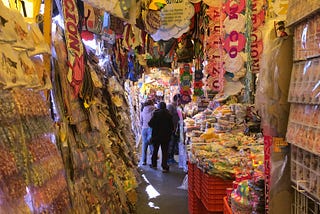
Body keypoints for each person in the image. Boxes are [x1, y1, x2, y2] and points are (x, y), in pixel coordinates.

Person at [148, 102, 174, 173]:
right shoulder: (169, 115)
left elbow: (150, 124)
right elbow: (172, 126)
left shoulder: (155, 114)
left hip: (156, 136)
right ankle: (164, 167)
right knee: (165, 151)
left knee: (155, 150)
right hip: (166, 136)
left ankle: (154, 164)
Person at [140, 99, 156, 165]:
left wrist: (143, 126)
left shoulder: (142, 110)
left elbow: (141, 121)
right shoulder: (154, 110)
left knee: (144, 144)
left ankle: (144, 161)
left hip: (144, 128)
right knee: (152, 144)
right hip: (151, 129)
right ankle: (153, 160)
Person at [166, 94, 181, 164]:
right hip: (171, 129)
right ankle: (169, 159)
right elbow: (168, 117)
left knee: (173, 144)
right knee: (170, 144)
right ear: (177, 100)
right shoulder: (170, 106)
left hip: (175, 128)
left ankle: (171, 158)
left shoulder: (176, 106)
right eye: (179, 100)